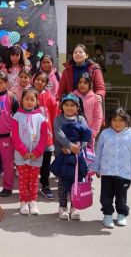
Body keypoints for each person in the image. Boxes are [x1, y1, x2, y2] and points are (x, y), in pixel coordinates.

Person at [92, 107, 131, 228]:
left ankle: (121, 214)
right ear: (110, 121)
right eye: (114, 120)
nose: (117, 123)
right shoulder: (105, 134)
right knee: (106, 196)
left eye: (121, 120)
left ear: (126, 121)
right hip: (107, 173)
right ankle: (107, 215)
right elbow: (98, 151)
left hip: (124, 174)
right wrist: (97, 168)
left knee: (121, 197)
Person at [53, 93, 91, 221]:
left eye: (72, 105)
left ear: (77, 107)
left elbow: (86, 135)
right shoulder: (58, 120)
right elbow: (58, 134)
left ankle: (75, 206)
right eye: (66, 105)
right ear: (62, 106)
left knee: (76, 181)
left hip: (77, 157)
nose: (69, 108)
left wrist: (78, 147)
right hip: (62, 155)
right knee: (63, 181)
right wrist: (68, 145)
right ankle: (62, 207)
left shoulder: (81, 119)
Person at [11, 88, 48, 215]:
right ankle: (23, 202)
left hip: (36, 156)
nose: (29, 102)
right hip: (21, 155)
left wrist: (37, 152)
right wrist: (23, 151)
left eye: (32, 99)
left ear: (37, 101)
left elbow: (44, 138)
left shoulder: (41, 118)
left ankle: (33, 201)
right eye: (26, 99)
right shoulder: (16, 116)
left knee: (33, 180)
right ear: (21, 100)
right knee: (23, 179)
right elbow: (15, 137)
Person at [33, 71, 58, 200]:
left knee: (45, 165)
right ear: (33, 80)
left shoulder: (50, 97)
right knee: (31, 164)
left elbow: (54, 117)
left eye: (43, 81)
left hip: (47, 137)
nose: (40, 82)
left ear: (47, 84)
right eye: (38, 79)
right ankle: (30, 188)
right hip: (31, 138)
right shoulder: (28, 95)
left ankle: (45, 185)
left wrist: (53, 135)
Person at [72, 72, 103, 156]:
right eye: (80, 82)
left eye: (85, 83)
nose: (82, 85)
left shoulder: (95, 99)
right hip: (73, 134)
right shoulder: (72, 97)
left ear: (90, 84)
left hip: (89, 135)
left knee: (87, 159)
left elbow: (98, 118)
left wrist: (92, 133)